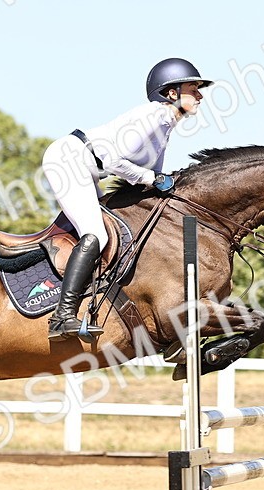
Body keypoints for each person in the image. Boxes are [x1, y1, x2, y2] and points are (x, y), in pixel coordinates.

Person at [41, 58, 211, 341]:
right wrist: (152, 179)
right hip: (69, 159)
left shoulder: (167, 124)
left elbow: (154, 172)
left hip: (87, 167)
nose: (200, 95)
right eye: (193, 88)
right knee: (95, 233)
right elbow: (113, 159)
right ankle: (63, 316)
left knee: (111, 228)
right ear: (171, 93)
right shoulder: (152, 117)